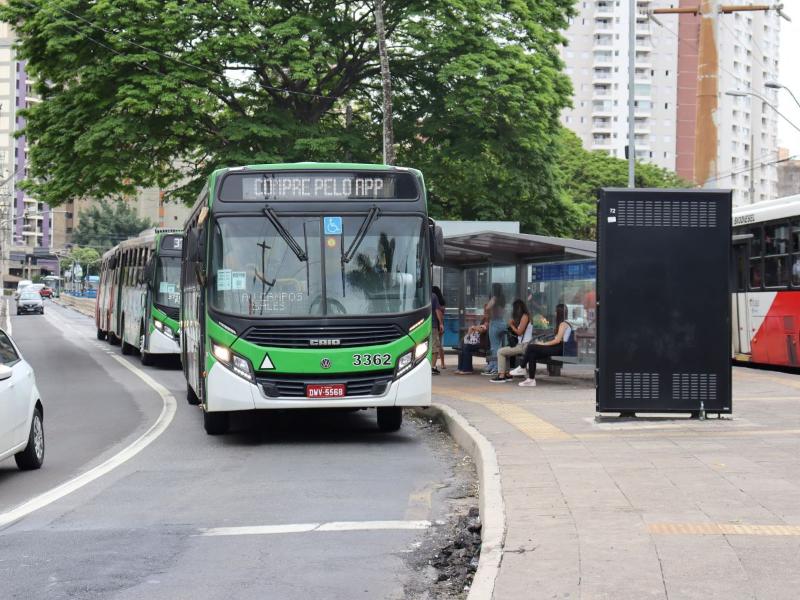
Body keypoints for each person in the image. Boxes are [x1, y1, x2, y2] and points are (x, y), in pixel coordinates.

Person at [512, 303, 574, 387]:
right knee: (532, 354)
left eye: (556, 311)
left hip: (560, 348)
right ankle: (531, 380)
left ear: (560, 313)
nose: (555, 313)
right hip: (559, 347)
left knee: (531, 347)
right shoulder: (565, 323)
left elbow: (557, 341)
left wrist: (543, 344)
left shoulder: (563, 324)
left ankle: (522, 367)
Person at [490, 299, 533, 382]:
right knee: (505, 351)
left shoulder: (525, 317)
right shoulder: (525, 316)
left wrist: (512, 325)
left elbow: (519, 332)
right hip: (523, 345)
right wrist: (513, 324)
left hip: (524, 346)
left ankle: (501, 375)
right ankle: (507, 374)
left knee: (500, 352)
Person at [483, 284, 507, 375]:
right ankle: (493, 365)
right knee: (496, 346)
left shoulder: (495, 298)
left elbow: (488, 307)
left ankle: (495, 366)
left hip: (495, 323)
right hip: (502, 322)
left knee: (494, 346)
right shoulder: (502, 299)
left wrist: (492, 299)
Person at [432, 286, 447, 370]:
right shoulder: (441, 301)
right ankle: (442, 363)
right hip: (439, 322)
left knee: (436, 344)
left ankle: (434, 364)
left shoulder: (432, 299)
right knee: (439, 344)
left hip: (436, 323)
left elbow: (439, 311)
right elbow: (443, 311)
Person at [431, 287, 444, 375]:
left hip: (420, 325)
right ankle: (432, 367)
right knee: (435, 346)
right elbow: (437, 310)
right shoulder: (433, 296)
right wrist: (441, 323)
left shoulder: (419, 295)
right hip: (432, 325)